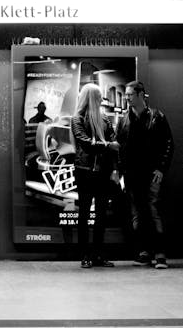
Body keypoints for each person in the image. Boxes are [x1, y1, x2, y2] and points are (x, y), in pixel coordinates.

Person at [116, 81, 174, 269]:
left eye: (130, 94)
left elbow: (168, 144)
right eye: (126, 94)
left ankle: (160, 254)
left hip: (151, 173)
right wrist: (119, 170)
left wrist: (160, 168)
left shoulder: (157, 117)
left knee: (152, 210)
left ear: (141, 94)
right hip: (131, 174)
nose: (126, 98)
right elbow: (119, 147)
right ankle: (144, 252)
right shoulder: (124, 119)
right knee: (137, 214)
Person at [71, 83, 120, 269]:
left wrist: (114, 168)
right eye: (99, 96)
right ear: (92, 97)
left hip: (102, 173)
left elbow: (115, 143)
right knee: (84, 214)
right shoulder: (78, 118)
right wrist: (107, 145)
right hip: (84, 172)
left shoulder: (105, 119)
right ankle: (85, 255)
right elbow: (85, 144)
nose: (101, 99)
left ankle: (98, 255)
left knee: (101, 215)